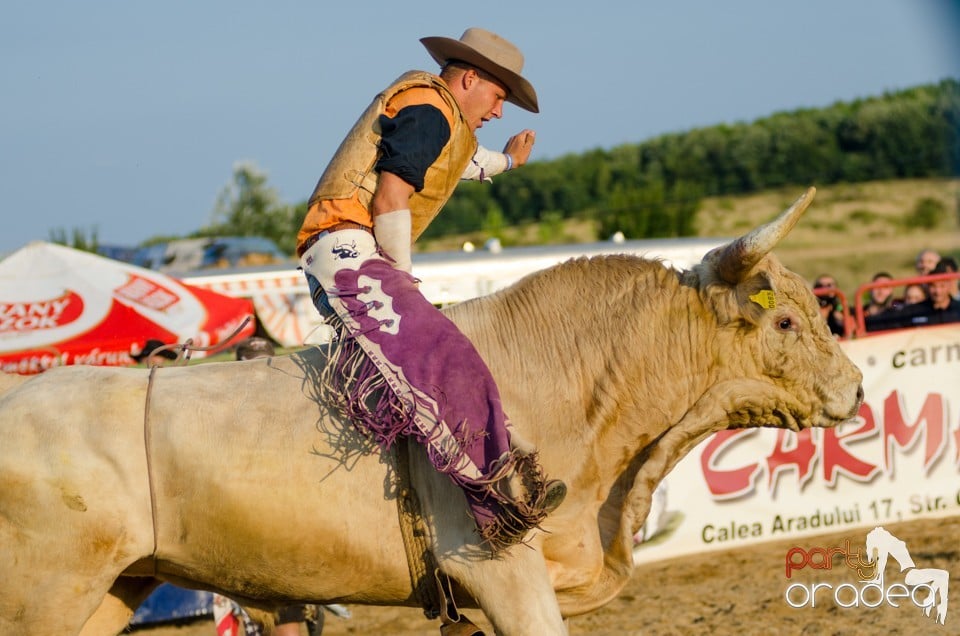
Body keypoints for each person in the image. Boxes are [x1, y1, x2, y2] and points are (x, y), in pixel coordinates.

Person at [297, 27, 565, 551]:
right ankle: (498, 506)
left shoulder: (435, 115)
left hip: (342, 249)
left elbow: (460, 162)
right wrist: (401, 280)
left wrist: (508, 161)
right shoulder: (429, 108)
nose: (498, 113)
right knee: (437, 351)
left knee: (427, 372)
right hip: (346, 247)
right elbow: (391, 196)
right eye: (498, 97)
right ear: (470, 78)